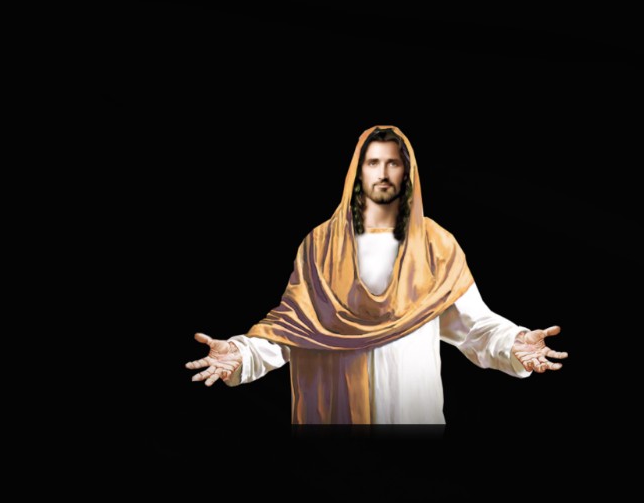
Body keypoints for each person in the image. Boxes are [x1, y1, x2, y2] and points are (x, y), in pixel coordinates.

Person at [184, 124, 566, 424]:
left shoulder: (436, 244)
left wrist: (514, 343)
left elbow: (474, 327)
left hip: (413, 417)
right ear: (358, 170)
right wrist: (242, 353)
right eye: (373, 163)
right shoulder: (321, 245)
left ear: (407, 171)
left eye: (393, 163)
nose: (383, 173)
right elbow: (295, 328)